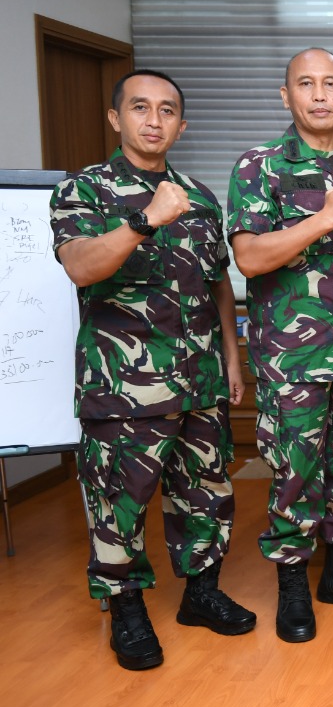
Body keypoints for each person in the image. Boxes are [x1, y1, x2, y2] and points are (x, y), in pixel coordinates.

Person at [51, 69, 255, 670]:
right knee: (120, 500)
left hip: (199, 379)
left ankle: (201, 593)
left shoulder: (199, 195)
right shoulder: (85, 190)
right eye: (140, 107)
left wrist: (232, 356)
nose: (153, 120)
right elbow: (81, 266)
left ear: (181, 125)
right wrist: (144, 220)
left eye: (167, 110)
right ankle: (127, 611)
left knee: (207, 492)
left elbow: (218, 284)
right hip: (123, 387)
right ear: (116, 118)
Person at [228, 48, 333, 643]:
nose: (320, 95)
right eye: (306, 84)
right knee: (294, 472)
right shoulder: (260, 166)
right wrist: (322, 220)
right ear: (287, 96)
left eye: (331, 84)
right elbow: (249, 258)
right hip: (293, 357)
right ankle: (293, 586)